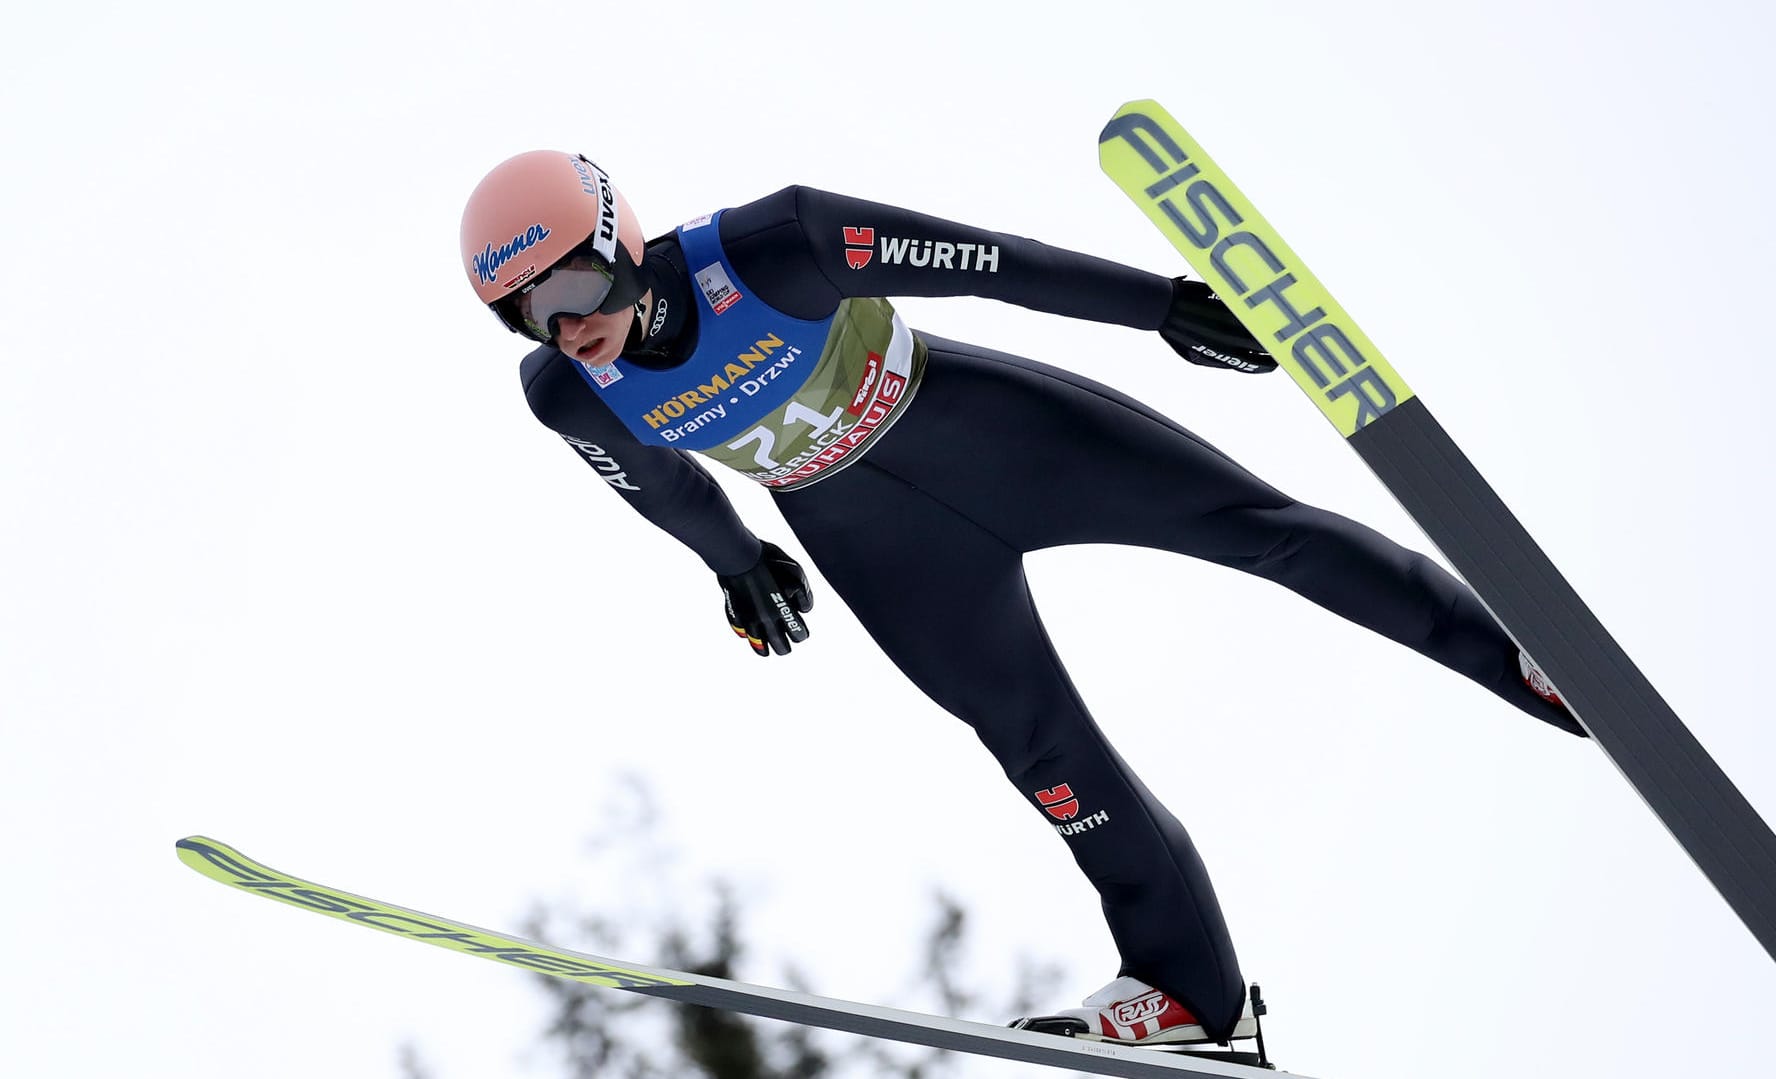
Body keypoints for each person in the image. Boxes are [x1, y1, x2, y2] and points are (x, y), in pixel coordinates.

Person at [459, 151, 1585, 1048]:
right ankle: (1192, 992)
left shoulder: (775, 246)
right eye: (522, 310)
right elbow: (659, 482)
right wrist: (735, 561)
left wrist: (1159, 307)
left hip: (995, 434)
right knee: (1041, 749)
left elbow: (994, 263)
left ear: (623, 239)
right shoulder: (570, 393)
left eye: (568, 283)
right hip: (879, 543)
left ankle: (1525, 660)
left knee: (1263, 536)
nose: (562, 322)